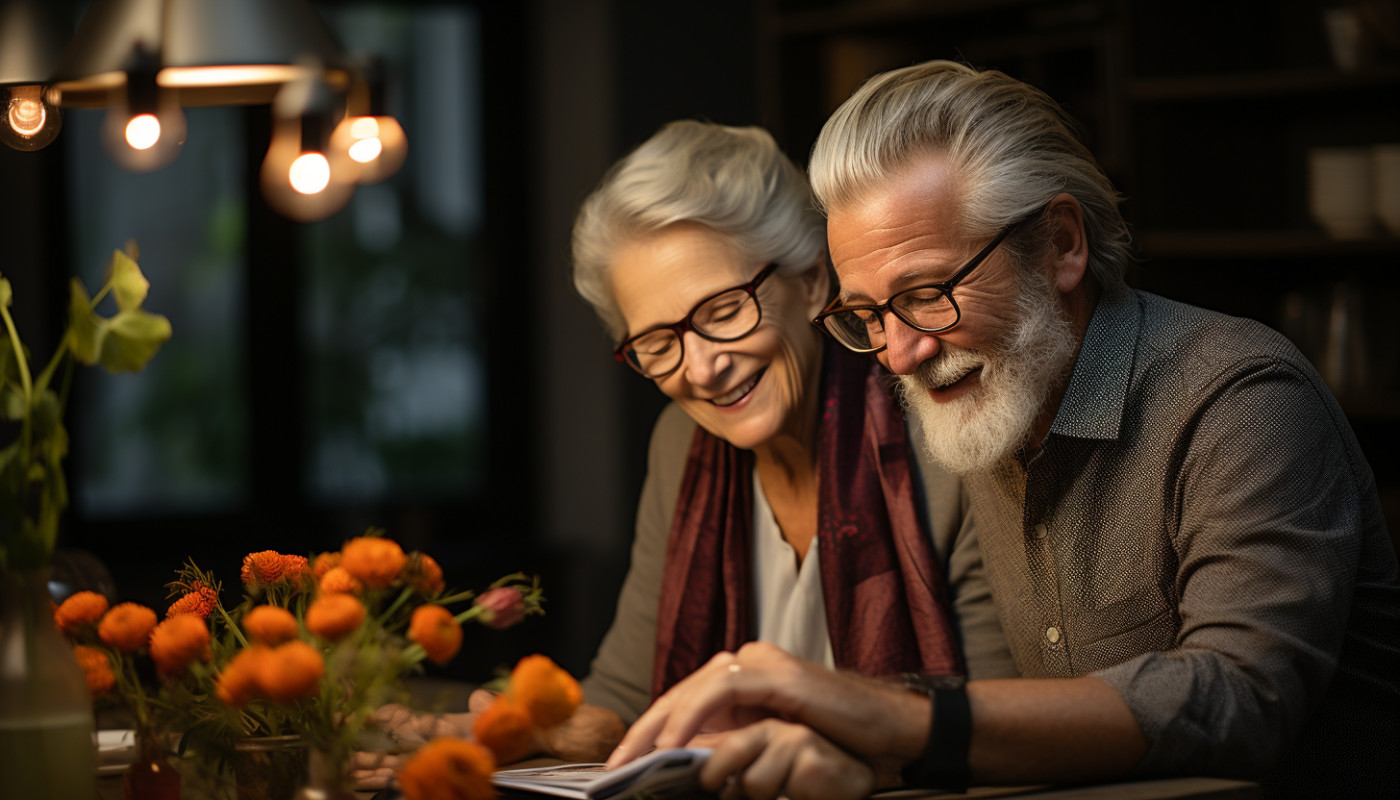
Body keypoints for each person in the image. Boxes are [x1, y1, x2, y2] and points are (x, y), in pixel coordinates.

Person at [610, 61, 1400, 800]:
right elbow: (1024, 724)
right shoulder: (991, 415)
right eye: (868, 315)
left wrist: (898, 722)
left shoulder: (1241, 397)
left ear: (1059, 245)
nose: (901, 352)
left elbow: (1241, 701)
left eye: (927, 292)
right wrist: (864, 745)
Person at [349, 119, 1015, 790]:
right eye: (658, 343)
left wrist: (865, 758)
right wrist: (530, 730)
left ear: (813, 281)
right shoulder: (681, 443)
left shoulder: (941, 423)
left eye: (724, 310)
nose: (700, 369)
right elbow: (629, 688)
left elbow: (996, 717)